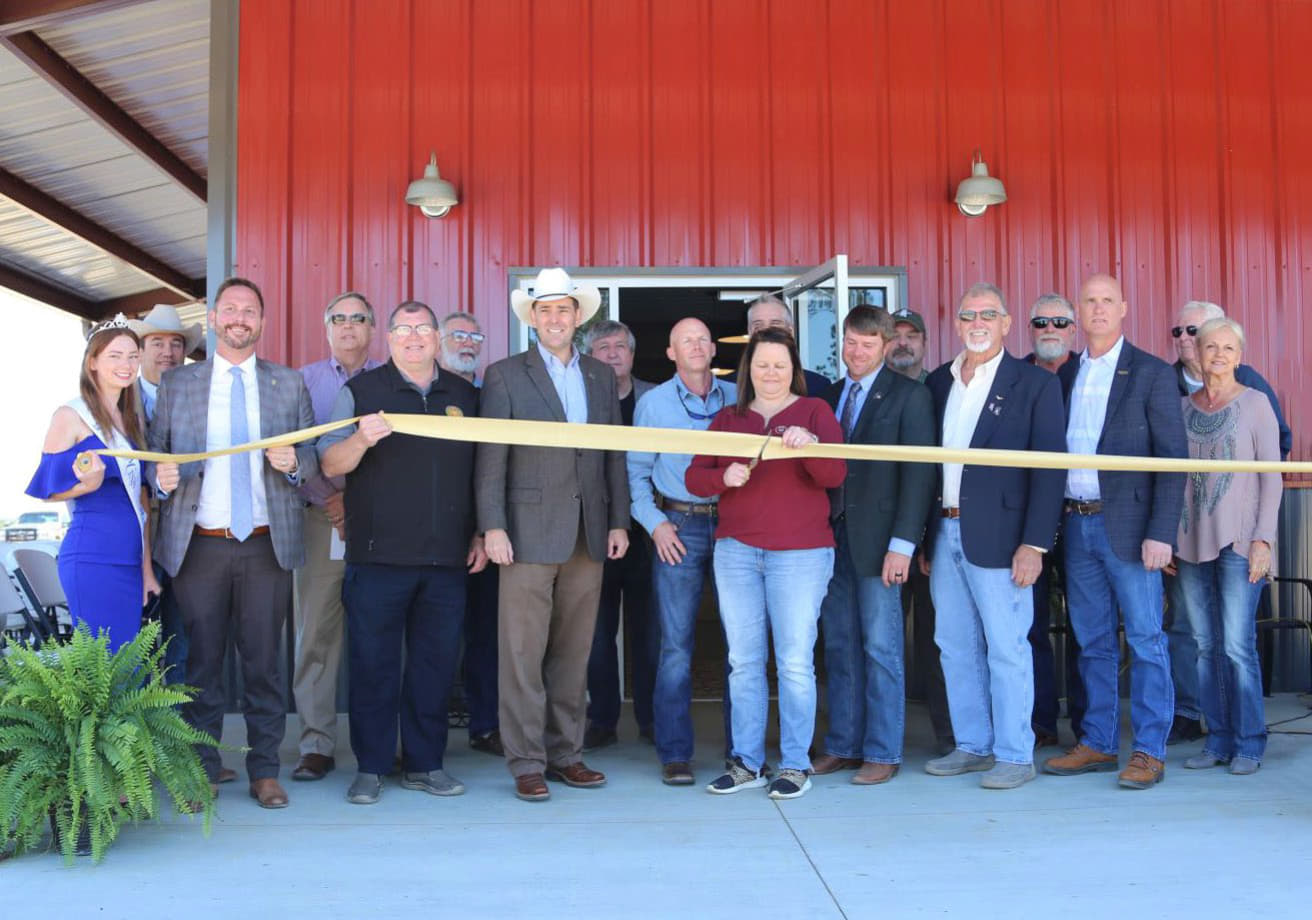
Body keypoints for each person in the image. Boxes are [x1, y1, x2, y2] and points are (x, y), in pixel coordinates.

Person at [150, 277, 317, 809]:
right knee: (201, 664)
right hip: (200, 544)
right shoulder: (178, 384)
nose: (239, 318)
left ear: (261, 321)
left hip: (267, 544)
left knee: (264, 664)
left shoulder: (288, 384)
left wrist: (295, 465)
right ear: (213, 319)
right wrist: (161, 480)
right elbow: (155, 456)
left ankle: (265, 771)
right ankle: (201, 769)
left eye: (249, 310)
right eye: (230, 309)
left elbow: (311, 460)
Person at [319, 300, 485, 805]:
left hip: (446, 559)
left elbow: (482, 471)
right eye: (404, 329)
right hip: (377, 558)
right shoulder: (361, 392)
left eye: (423, 329)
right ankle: (370, 767)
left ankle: (425, 764)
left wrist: (480, 532)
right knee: (374, 667)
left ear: (437, 338)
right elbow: (329, 463)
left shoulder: (465, 395)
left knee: (434, 668)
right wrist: (361, 440)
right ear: (388, 338)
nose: (414, 337)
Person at [475, 267, 630, 803]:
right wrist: (492, 526)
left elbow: (613, 453)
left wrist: (618, 519)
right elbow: (491, 456)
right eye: (546, 310)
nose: (555, 318)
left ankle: (567, 755)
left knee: (573, 652)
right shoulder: (504, 375)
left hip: (589, 532)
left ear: (577, 316)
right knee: (521, 654)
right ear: (533, 318)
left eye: (564, 309)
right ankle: (526, 762)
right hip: (525, 533)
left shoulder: (599, 375)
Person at [686, 327, 846, 799]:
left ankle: (795, 765)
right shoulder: (728, 419)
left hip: (800, 554)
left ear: (793, 369)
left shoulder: (814, 412)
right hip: (737, 551)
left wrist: (809, 444)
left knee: (794, 662)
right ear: (748, 370)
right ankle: (747, 763)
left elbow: (834, 474)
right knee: (743, 661)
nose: (770, 373)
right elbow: (694, 477)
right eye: (761, 365)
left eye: (779, 365)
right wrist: (724, 476)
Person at [1043, 273, 1186, 790]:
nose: (1098, 309)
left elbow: (1172, 459)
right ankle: (1099, 742)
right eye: (1090, 301)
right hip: (1076, 523)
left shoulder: (1150, 372)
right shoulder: (1066, 373)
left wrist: (1161, 533)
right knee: (1092, 642)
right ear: (1078, 313)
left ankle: (1149, 751)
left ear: (1123, 308)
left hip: (1130, 528)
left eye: (1107, 300)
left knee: (1146, 639)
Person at [923, 284, 1066, 790]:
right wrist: (924, 537)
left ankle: (1014, 755)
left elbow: (1050, 470)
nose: (977, 323)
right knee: (954, 645)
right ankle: (972, 745)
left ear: (1006, 324)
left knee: (1007, 648)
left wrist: (1035, 543)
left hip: (1005, 539)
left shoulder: (1034, 384)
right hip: (944, 531)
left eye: (988, 314)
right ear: (957, 324)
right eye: (968, 315)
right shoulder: (939, 382)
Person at [814, 306, 935, 786]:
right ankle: (844, 745)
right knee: (839, 645)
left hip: (882, 542)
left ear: (885, 346)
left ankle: (883, 750)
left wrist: (903, 544)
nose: (857, 352)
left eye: (867, 344)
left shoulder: (910, 396)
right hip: (830, 538)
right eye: (850, 342)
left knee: (881, 646)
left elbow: (918, 476)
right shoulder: (828, 396)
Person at [1163, 299, 1291, 745]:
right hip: (1189, 541)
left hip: (1239, 541)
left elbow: (1272, 479)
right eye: (1209, 346)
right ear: (1196, 353)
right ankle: (1217, 739)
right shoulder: (1181, 410)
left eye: (1227, 347)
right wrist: (1166, 538)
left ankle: (1249, 741)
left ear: (1239, 356)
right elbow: (1169, 479)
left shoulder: (1257, 404)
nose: (1218, 354)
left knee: (1237, 646)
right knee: (1203, 646)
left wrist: (1263, 540)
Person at [628, 317, 737, 786]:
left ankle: (742, 751)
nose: (695, 346)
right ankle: (674, 753)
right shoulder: (652, 404)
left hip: (735, 524)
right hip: (679, 524)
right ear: (671, 353)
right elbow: (635, 475)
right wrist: (655, 525)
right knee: (675, 645)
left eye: (702, 340)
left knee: (741, 644)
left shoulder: (739, 397)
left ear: (713, 349)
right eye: (684, 341)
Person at [289, 292, 382, 783]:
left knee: (382, 633)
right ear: (326, 328)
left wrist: (356, 501)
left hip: (380, 522)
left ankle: (383, 743)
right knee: (317, 636)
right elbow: (295, 451)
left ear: (372, 328)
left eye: (358, 318)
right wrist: (331, 500)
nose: (348, 326)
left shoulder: (388, 379)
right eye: (338, 319)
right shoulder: (303, 382)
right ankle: (316, 744)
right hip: (320, 519)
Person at [26, 315, 157, 650]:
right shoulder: (70, 416)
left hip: (130, 560)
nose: (126, 365)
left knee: (129, 665)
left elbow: (140, 501)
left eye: (133, 356)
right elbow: (46, 491)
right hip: (92, 558)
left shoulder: (130, 421)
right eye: (115, 355)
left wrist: (146, 570)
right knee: (102, 664)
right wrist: (87, 485)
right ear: (93, 362)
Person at [582, 320, 657, 750]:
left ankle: (651, 719)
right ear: (590, 357)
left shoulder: (655, 397)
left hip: (649, 533)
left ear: (631, 353)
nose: (612, 354)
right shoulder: (581, 398)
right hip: (595, 530)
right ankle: (602, 720)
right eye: (602, 347)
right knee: (597, 634)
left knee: (651, 634)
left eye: (619, 347)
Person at [438, 311, 504, 756]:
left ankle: (486, 726)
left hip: (484, 534)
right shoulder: (424, 395)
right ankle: (427, 734)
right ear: (439, 340)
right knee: (432, 639)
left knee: (486, 636)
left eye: (473, 337)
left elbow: (493, 469)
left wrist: (483, 529)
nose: (466, 342)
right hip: (431, 534)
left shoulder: (490, 397)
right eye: (457, 335)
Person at [888, 307, 953, 754]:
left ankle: (950, 737)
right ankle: (883, 739)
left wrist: (928, 537)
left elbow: (940, 473)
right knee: (882, 642)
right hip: (882, 538)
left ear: (925, 343)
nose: (903, 342)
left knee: (939, 641)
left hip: (933, 539)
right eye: (895, 334)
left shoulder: (942, 390)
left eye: (913, 335)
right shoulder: (873, 392)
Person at [1022, 292, 1085, 747]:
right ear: (1029, 328)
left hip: (1082, 514)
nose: (1050, 329)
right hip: (1027, 520)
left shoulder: (1090, 372)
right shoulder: (1015, 376)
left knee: (1087, 626)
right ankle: (1040, 721)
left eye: (1059, 322)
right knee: (1030, 626)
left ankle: (1088, 729)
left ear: (1073, 329)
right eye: (1041, 322)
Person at [133, 303, 204, 684]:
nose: (168, 352)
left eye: (176, 344)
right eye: (157, 343)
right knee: (138, 640)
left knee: (182, 636)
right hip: (135, 537)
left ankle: (175, 718)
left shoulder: (197, 399)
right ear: (140, 350)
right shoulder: (116, 397)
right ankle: (137, 718)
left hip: (187, 536)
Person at [734, 295, 832, 394]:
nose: (767, 331)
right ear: (749, 333)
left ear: (790, 331)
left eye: (775, 324)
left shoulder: (818, 386)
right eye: (758, 326)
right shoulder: (730, 387)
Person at [887, 308, 930, 383]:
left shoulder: (937, 387)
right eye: (894, 336)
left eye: (911, 336)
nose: (902, 343)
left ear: (924, 345)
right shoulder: (869, 387)